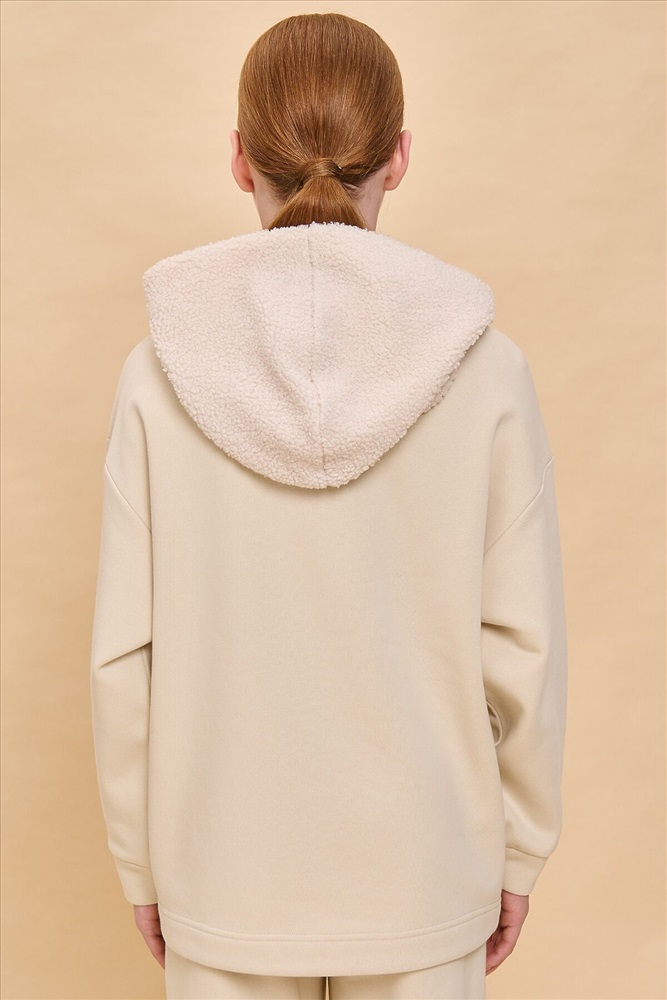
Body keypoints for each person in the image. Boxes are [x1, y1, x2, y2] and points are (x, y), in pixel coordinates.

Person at [90, 12, 568, 1000]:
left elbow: (122, 658)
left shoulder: (158, 373)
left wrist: (142, 860)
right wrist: (519, 848)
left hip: (222, 869)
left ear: (239, 159)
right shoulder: (486, 370)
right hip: (427, 869)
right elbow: (521, 645)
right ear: (397, 156)